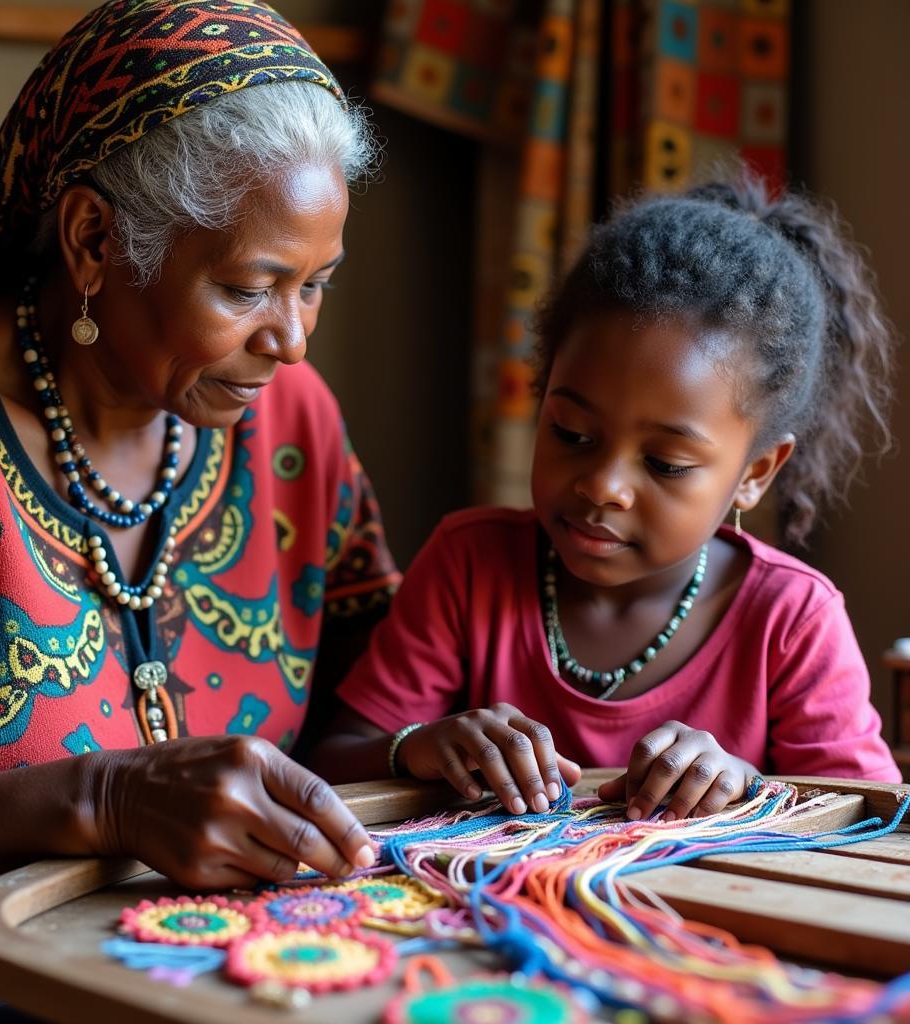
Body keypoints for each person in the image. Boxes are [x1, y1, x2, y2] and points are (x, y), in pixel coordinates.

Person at [0, 1, 401, 1017]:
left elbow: (367, 710)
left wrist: (424, 740)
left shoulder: (288, 420)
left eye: (317, 285)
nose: (292, 339)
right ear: (91, 241)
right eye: (251, 287)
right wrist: (107, 798)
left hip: (253, 968)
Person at [313, 174, 902, 822]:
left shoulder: (791, 621)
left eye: (665, 463)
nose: (602, 486)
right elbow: (332, 760)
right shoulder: (468, 566)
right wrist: (419, 747)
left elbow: (872, 819)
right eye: (571, 433)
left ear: (756, 472)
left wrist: (748, 784)